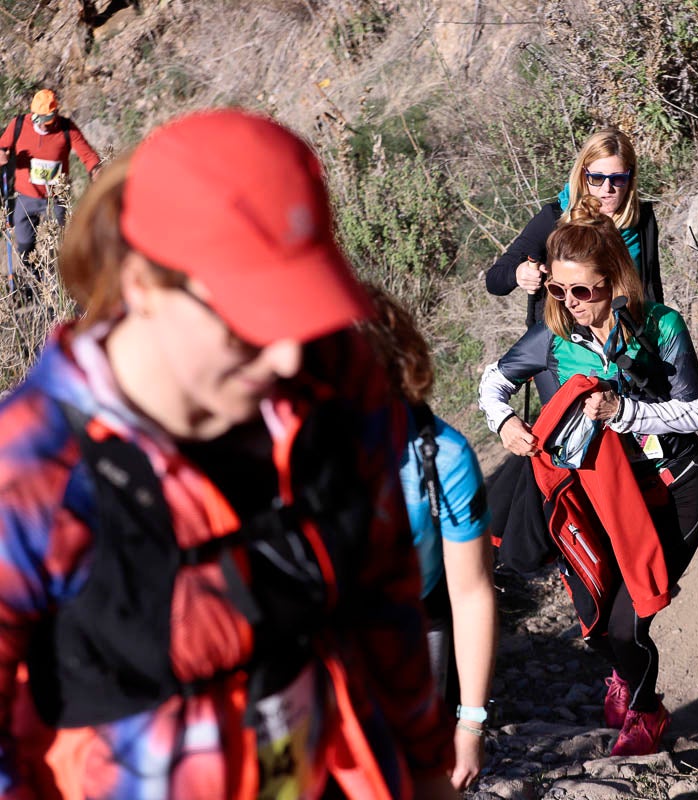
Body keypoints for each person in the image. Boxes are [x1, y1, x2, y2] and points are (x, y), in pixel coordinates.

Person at [0, 109, 457, 799]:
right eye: (251, 314)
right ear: (143, 286)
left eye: (298, 304)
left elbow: (384, 590)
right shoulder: (30, 471)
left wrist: (427, 770)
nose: (284, 353)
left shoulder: (333, 375)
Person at [478, 196, 698, 757]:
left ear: (614, 279)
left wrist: (625, 413)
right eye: (559, 290)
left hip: (672, 486)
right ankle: (625, 678)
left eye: (582, 290)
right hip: (595, 494)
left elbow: (695, 411)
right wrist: (506, 421)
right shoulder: (553, 337)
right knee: (596, 619)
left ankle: (647, 712)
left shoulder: (660, 326)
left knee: (631, 621)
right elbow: (493, 381)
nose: (570, 302)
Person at [361, 285, 497, 791]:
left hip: (419, 625)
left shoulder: (442, 458)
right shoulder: (295, 449)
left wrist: (470, 723)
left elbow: (471, 593)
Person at [485, 128, 662, 403]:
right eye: (597, 178)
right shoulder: (554, 218)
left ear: (631, 177)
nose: (607, 189)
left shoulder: (643, 221)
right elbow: (495, 279)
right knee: (570, 437)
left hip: (626, 343)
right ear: (583, 175)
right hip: (563, 345)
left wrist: (658, 343)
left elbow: (651, 288)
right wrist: (519, 273)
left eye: (617, 179)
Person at [0, 89, 101, 270]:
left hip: (55, 199)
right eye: (39, 119)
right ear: (33, 113)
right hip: (26, 197)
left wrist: (95, 170)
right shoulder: (19, 124)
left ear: (55, 114)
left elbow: (87, 155)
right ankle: (32, 287)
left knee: (58, 247)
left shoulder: (66, 129)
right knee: (25, 246)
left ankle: (57, 287)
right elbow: (2, 146)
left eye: (48, 120)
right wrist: (1, 154)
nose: (43, 125)